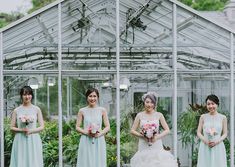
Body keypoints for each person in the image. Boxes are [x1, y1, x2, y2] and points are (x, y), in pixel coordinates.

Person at [130, 92, 177, 167]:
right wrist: (142, 136)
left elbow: (167, 130)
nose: (149, 104)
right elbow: (132, 130)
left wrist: (157, 137)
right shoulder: (139, 115)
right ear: (144, 102)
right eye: (147, 102)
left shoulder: (159, 115)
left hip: (156, 144)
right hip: (143, 145)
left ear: (155, 104)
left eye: (152, 102)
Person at [10, 86, 44, 167]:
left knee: (34, 160)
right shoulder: (16, 110)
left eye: (29, 94)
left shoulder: (37, 109)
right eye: (25, 94)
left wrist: (31, 131)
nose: (27, 97)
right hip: (20, 139)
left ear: (32, 95)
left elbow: (42, 126)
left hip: (33, 138)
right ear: (21, 96)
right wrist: (22, 130)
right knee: (21, 159)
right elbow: (12, 127)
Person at [76, 88, 110, 167]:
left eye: (94, 96)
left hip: (99, 139)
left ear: (97, 97)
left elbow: (107, 126)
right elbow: (77, 127)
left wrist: (100, 134)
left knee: (98, 161)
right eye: (90, 96)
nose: (92, 98)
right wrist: (87, 133)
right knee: (85, 161)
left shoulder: (102, 110)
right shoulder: (82, 111)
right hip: (86, 139)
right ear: (87, 97)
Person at [197, 94, 227, 167]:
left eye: (213, 104)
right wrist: (206, 141)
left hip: (218, 146)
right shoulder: (203, 117)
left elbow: (225, 133)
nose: (210, 106)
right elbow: (198, 132)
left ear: (217, 104)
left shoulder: (223, 117)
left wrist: (217, 142)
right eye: (208, 104)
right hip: (205, 145)